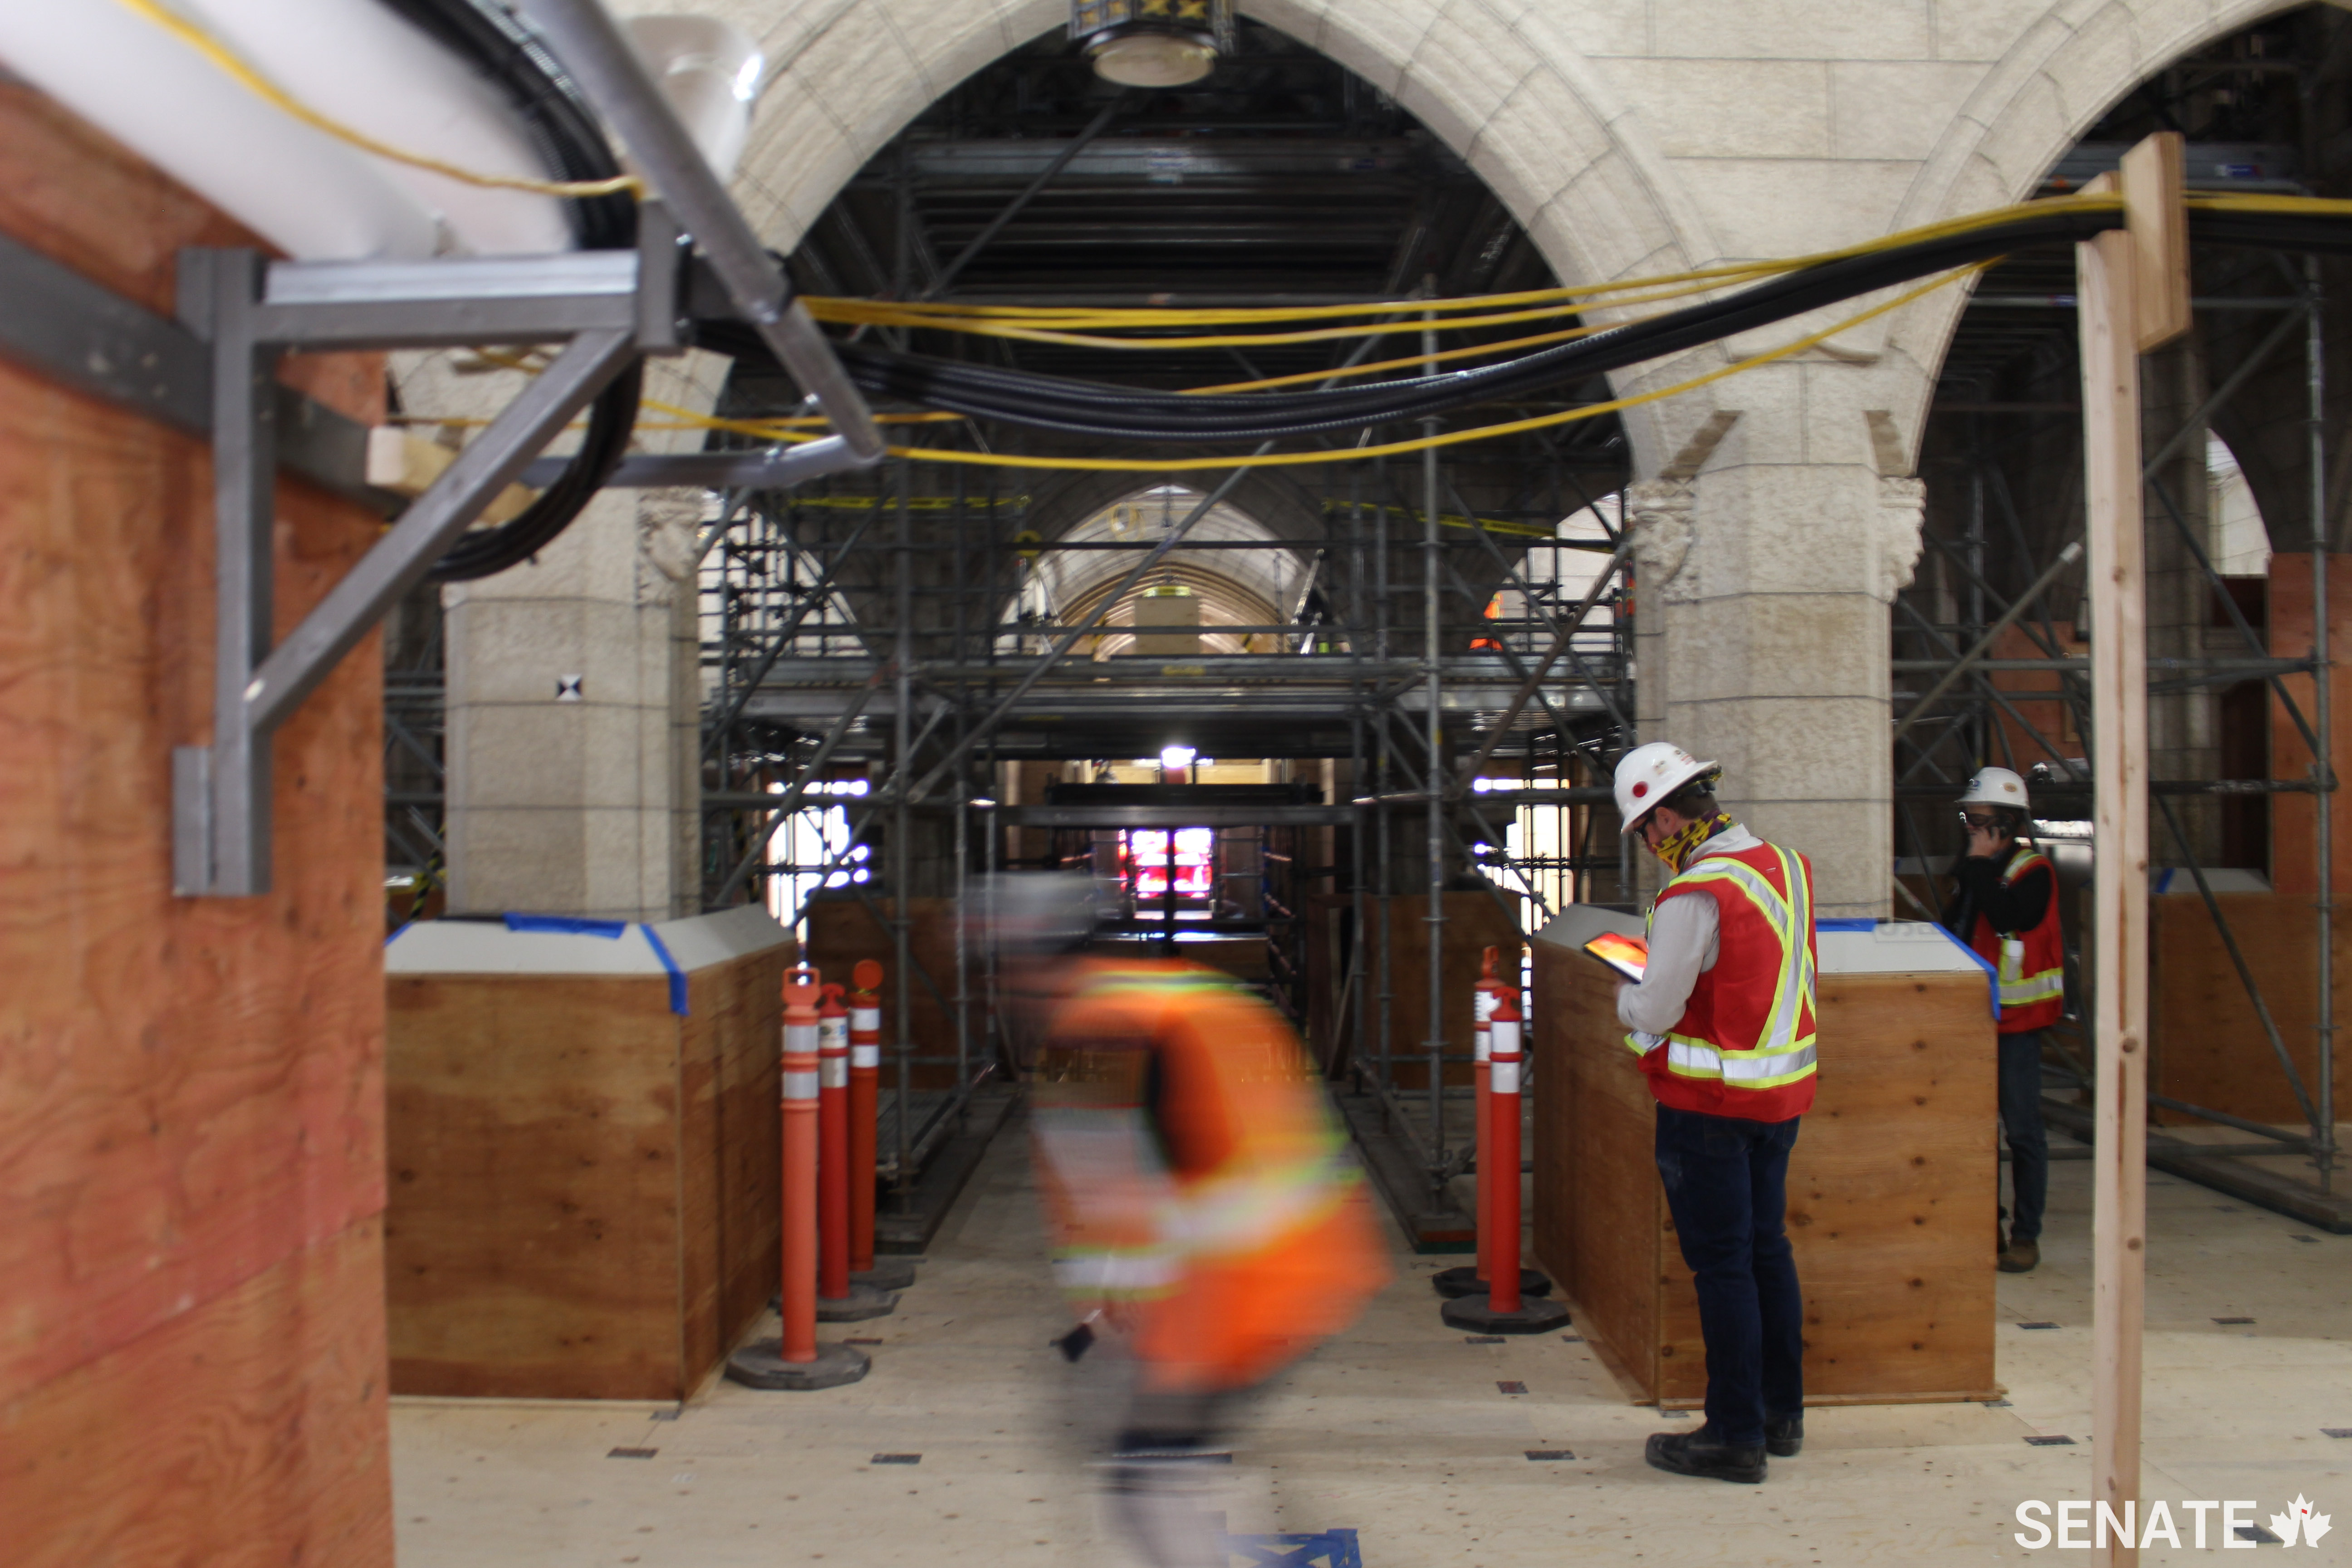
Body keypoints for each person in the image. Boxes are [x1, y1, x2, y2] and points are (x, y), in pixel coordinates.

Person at [988, 874, 1389, 1568]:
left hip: (1235, 1295)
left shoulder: (1093, 1033)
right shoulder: (1188, 995)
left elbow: (1125, 1212)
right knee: (1174, 1468)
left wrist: (1130, 1342)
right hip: (1314, 1268)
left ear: (1027, 963)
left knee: (1151, 1486)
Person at [1611, 743, 1818, 1485]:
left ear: (1664, 816)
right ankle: (1778, 1414)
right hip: (1779, 1098)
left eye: (1643, 830)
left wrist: (1625, 1000)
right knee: (1767, 1250)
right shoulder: (1785, 866)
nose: (1648, 845)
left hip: (1707, 1109)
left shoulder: (1694, 893)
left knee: (1722, 1264)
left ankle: (1732, 1434)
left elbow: (1656, 1005)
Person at [1939, 766, 2062, 1275]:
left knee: (2023, 1132)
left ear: (2006, 823)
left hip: (2018, 1023)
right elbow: (1957, 926)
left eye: (1979, 818)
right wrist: (1974, 868)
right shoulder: (1975, 867)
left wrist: (1980, 868)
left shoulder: (2032, 870)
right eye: (1968, 816)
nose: (1969, 826)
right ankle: (1985, 1224)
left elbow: (2013, 918)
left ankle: (2025, 1235)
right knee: (1976, 1132)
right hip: (1974, 1019)